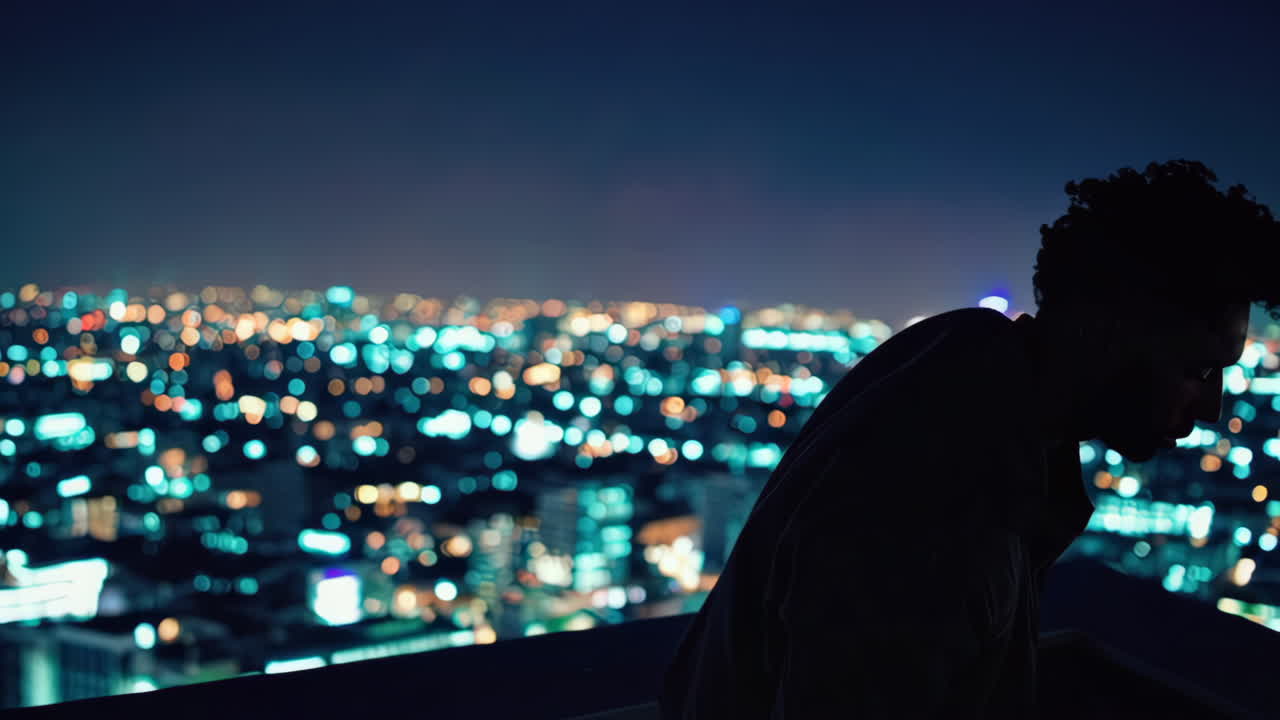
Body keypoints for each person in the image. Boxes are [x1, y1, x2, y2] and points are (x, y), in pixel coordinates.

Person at [658, 159, 1280, 718]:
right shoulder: (940, 515)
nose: (1211, 408)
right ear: (1109, 328)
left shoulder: (958, 354)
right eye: (1197, 370)